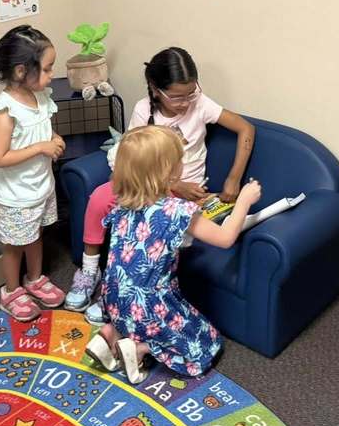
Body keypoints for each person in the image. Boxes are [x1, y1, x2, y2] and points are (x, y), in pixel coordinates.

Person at [65, 47, 255, 319]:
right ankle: (90, 271)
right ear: (155, 90)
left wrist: (233, 179)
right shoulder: (145, 110)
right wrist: (174, 186)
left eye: (191, 93)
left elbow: (246, 128)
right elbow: (135, 159)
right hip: (149, 185)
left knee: (144, 230)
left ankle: (119, 296)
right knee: (100, 198)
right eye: (177, 97)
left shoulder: (201, 104)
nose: (186, 102)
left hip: (185, 195)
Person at [84, 126, 262, 383]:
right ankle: (139, 349)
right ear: (169, 172)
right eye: (179, 160)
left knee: (134, 315)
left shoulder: (124, 203)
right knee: (206, 344)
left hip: (112, 298)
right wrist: (245, 200)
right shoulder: (175, 211)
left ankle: (109, 334)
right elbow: (225, 239)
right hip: (148, 306)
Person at [0, 25, 67, 322]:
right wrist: (41, 148)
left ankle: (35, 279)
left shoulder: (40, 97)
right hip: (14, 195)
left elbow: (41, 128)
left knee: (35, 235)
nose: (52, 74)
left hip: (39, 187)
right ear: (21, 71)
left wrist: (52, 138)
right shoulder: (4, 111)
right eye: (47, 68)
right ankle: (12, 290)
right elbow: (0, 157)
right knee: (14, 244)